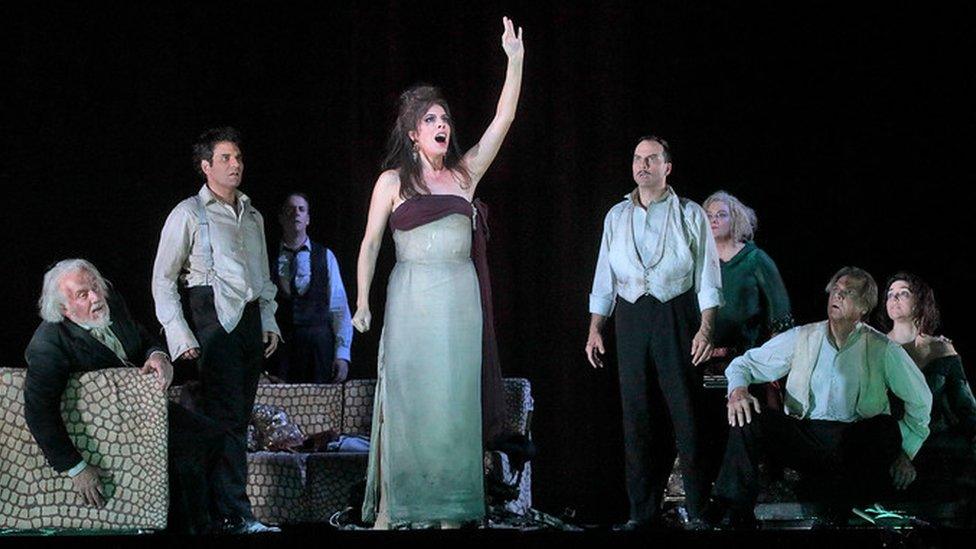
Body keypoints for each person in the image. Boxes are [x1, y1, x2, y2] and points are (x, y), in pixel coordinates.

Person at [352, 16, 524, 528]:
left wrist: (514, 61)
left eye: (444, 117)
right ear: (412, 133)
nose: (441, 124)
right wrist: (362, 300)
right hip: (410, 298)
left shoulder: (465, 174)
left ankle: (451, 508)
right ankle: (401, 506)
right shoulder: (391, 182)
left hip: (458, 301)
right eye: (430, 119)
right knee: (411, 405)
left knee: (453, 409)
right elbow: (370, 243)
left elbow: (503, 121)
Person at [712, 267, 932, 526]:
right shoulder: (802, 336)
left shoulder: (882, 347)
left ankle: (840, 512)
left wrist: (905, 451)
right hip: (805, 434)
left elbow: (921, 399)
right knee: (749, 417)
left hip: (853, 440)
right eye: (834, 291)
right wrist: (738, 391)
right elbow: (744, 365)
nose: (836, 297)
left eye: (846, 293)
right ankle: (733, 512)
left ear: (864, 306)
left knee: (884, 428)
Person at [24, 259, 227, 533]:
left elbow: (144, 340)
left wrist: (158, 355)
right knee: (188, 448)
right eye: (83, 294)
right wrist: (75, 467)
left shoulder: (111, 303)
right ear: (64, 308)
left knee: (211, 436)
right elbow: (39, 411)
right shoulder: (47, 344)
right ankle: (191, 527)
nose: (96, 298)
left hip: (145, 409)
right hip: (108, 430)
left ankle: (207, 521)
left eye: (95, 286)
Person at [585, 135, 723, 530]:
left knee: (686, 412)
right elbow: (603, 278)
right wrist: (596, 328)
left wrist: (705, 327)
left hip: (675, 313)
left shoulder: (690, 213)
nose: (642, 165)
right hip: (630, 316)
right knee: (637, 417)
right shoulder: (615, 216)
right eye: (637, 158)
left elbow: (708, 276)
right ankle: (641, 513)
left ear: (667, 168)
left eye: (652, 159)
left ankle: (698, 510)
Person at [151, 127, 281, 533]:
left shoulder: (253, 215)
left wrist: (269, 321)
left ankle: (223, 513)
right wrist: (179, 333)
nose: (235, 164)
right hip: (211, 319)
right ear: (206, 166)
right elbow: (163, 278)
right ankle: (231, 513)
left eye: (238, 157)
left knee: (237, 419)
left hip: (248, 321)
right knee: (222, 419)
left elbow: (262, 278)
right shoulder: (189, 212)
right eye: (225, 158)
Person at [881, 272, 975, 444]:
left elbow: (965, 404)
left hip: (939, 440)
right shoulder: (877, 347)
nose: (894, 297)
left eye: (903, 293)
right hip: (894, 440)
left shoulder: (941, 347)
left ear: (919, 302)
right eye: (890, 294)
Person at [273, 192, 352, 383]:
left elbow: (339, 307)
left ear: (308, 219)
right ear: (281, 217)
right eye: (290, 210)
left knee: (318, 406)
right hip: (283, 349)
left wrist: (342, 354)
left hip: (319, 349)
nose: (296, 214)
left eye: (301, 209)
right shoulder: (269, 256)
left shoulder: (325, 256)